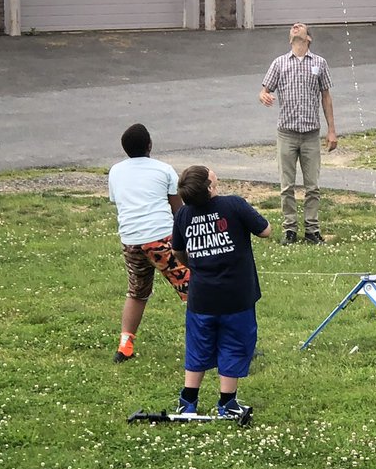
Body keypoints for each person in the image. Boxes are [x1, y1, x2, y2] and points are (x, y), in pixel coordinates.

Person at [170, 165, 271, 420]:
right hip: (237, 297)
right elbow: (265, 230)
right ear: (210, 187)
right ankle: (227, 402)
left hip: (201, 298)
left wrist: (194, 260)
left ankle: (188, 401)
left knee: (198, 345)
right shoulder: (234, 205)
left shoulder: (183, 215)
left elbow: (178, 251)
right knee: (235, 345)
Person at [107, 122, 189, 364]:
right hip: (161, 239)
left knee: (137, 292)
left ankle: (125, 346)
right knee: (193, 288)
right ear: (150, 144)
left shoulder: (115, 171)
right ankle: (215, 342)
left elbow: (118, 200)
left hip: (131, 240)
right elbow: (178, 210)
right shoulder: (163, 170)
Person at [259, 21, 337, 245]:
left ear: (308, 38)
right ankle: (290, 229)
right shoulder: (280, 63)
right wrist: (263, 95)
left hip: (311, 133)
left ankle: (312, 230)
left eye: (301, 27)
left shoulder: (319, 63)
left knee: (313, 186)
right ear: (289, 39)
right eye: (293, 27)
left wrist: (331, 130)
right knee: (287, 185)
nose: (296, 26)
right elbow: (264, 89)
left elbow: (326, 96)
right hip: (287, 133)